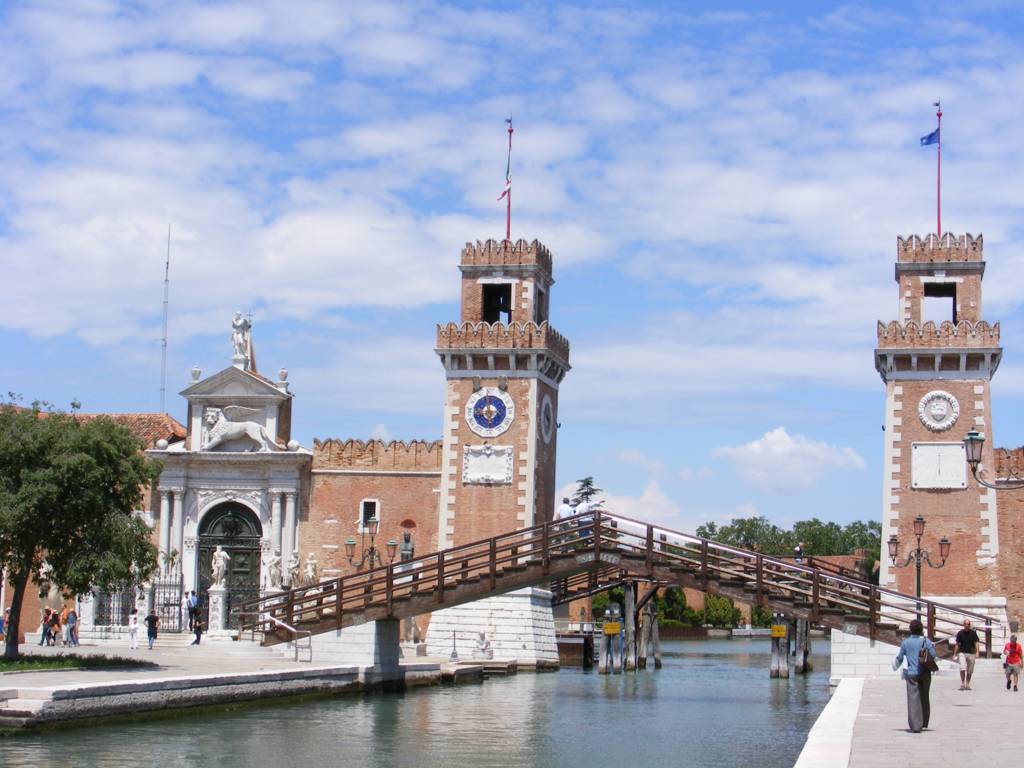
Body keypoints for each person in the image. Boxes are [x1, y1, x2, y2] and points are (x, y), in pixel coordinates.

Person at [893, 618, 936, 733]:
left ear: (910, 630)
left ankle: (915, 725)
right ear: (921, 630)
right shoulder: (925, 641)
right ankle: (924, 722)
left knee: (913, 699)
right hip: (925, 673)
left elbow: (900, 658)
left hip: (911, 673)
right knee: (924, 696)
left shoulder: (905, 642)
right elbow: (933, 654)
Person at [953, 619, 980, 690]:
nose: (967, 625)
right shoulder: (960, 633)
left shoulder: (973, 633)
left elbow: (976, 643)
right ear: (963, 624)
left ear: (970, 625)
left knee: (970, 670)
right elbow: (957, 644)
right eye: (965, 624)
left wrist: (977, 652)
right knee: (962, 667)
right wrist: (954, 654)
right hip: (962, 653)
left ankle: (967, 683)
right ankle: (962, 683)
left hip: (971, 653)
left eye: (968, 624)